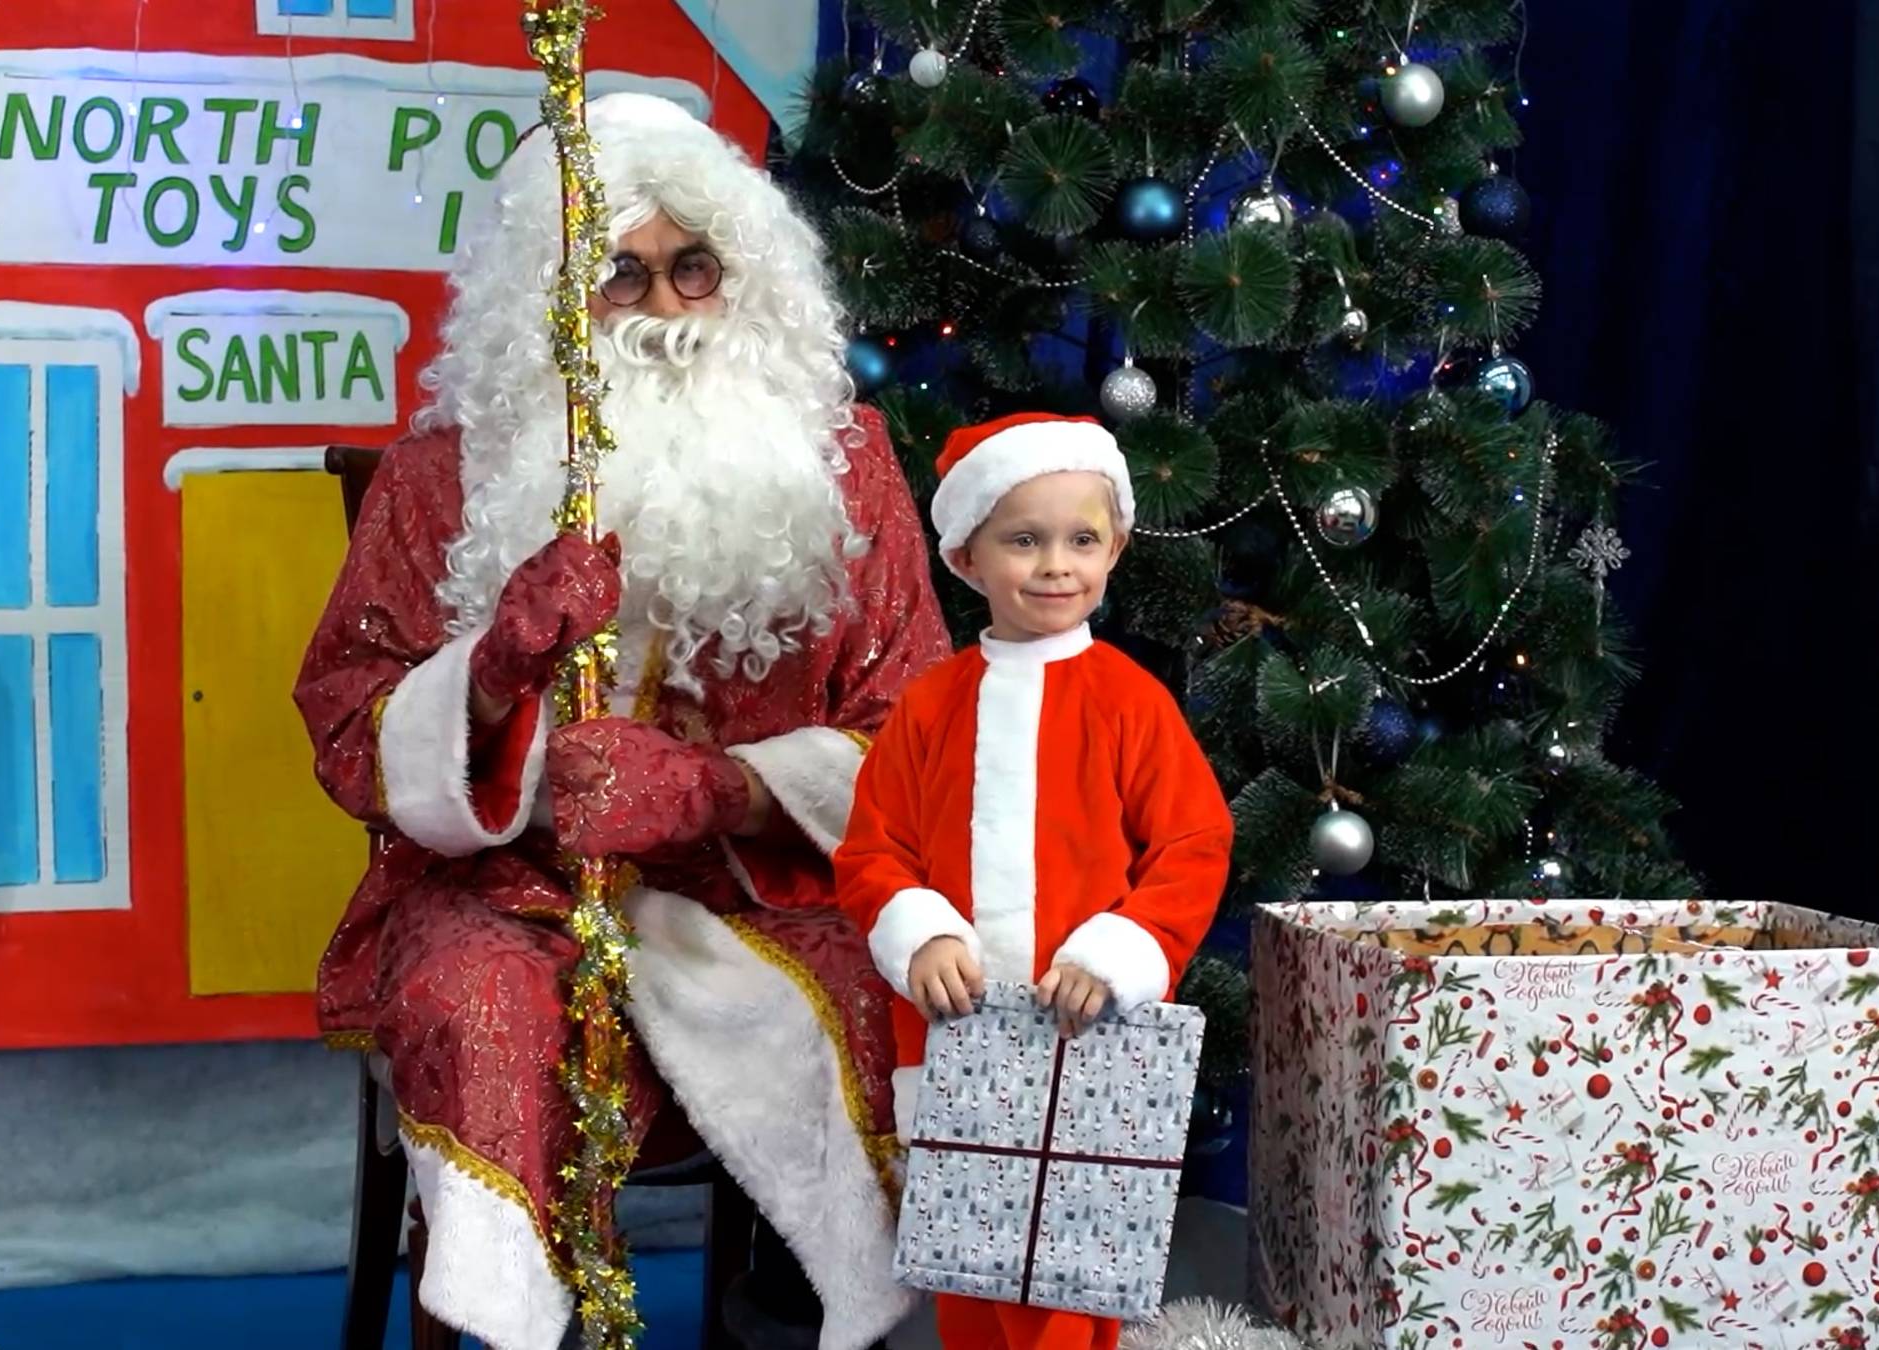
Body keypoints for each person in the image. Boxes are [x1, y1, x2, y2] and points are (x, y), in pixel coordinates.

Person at [294, 92, 950, 1350]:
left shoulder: (844, 466)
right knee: (480, 1007)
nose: (662, 307)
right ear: (547, 297)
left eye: (692, 266)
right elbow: (344, 719)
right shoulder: (440, 477)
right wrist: (491, 677)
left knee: (879, 993)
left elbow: (917, 730)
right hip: (509, 892)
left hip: (760, 893)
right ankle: (506, 1330)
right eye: (619, 274)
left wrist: (726, 791)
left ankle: (795, 1323)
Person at [832, 414, 1235, 1350]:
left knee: (1071, 1289)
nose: (1057, 566)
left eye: (1081, 540)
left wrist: (1123, 950)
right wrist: (922, 933)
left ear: (1115, 549)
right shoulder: (929, 707)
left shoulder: (1132, 701)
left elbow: (1193, 843)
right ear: (966, 558)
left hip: (1088, 1039)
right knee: (971, 1280)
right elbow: (871, 851)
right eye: (1024, 540)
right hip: (961, 1042)